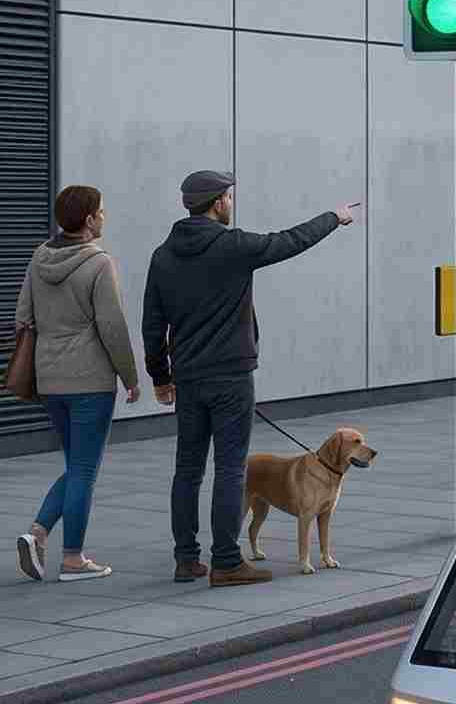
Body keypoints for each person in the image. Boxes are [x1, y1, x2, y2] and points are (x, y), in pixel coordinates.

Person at [142, 171, 359, 586]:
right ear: (217, 202)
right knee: (230, 468)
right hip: (231, 377)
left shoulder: (163, 255)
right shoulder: (232, 245)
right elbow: (289, 241)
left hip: (187, 377)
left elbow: (152, 323)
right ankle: (226, 561)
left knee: (187, 468)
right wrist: (335, 217)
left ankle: (186, 559)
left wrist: (160, 376)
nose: (230, 202)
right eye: (228, 196)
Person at [13, 185, 140, 582]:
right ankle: (72, 558)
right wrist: (131, 377)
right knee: (85, 468)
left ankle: (37, 534)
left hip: (50, 382)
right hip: (90, 381)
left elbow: (23, 317)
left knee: (76, 465)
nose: (104, 217)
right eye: (101, 212)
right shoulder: (99, 263)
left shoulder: (39, 258)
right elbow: (112, 327)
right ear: (88, 221)